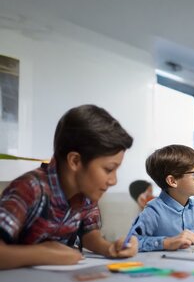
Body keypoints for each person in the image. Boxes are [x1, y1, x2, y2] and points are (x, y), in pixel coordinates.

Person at [0, 105, 138, 270]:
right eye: (109, 169)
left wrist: (109, 248)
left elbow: (89, 235)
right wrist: (45, 254)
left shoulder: (87, 193)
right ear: (75, 161)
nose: (114, 180)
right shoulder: (30, 188)